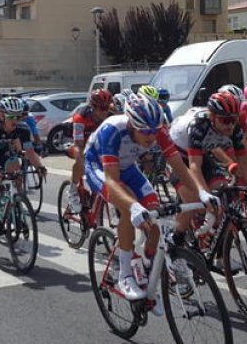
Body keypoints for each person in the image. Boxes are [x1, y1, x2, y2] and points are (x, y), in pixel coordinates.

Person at [84, 94, 215, 301]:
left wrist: (201, 193)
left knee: (155, 213)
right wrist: (134, 206)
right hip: (99, 167)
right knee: (129, 209)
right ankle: (125, 275)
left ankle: (146, 262)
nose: (151, 137)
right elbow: (111, 180)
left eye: (154, 131)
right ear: (131, 124)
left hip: (127, 167)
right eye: (145, 131)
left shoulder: (158, 131)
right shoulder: (112, 130)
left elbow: (180, 168)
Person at [0, 97, 48, 237]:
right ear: (2, 115)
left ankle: (16, 204)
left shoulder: (22, 129)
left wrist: (40, 167)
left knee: (16, 170)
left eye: (18, 116)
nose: (15, 120)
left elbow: (31, 153)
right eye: (11, 116)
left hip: (3, 153)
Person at [67, 89, 115, 212]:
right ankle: (73, 190)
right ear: (92, 107)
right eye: (101, 108)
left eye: (107, 107)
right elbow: (78, 144)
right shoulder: (81, 116)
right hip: (80, 144)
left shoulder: (111, 116)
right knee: (80, 160)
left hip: (97, 146)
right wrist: (83, 159)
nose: (105, 111)